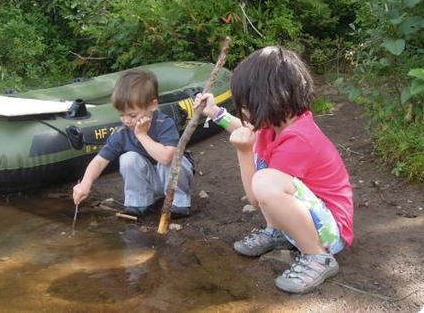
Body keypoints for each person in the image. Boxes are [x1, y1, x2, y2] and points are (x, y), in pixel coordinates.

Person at [194, 46, 353, 294]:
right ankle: (280, 231)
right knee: (267, 175)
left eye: (246, 105)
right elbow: (247, 130)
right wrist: (215, 113)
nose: (244, 112)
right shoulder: (277, 124)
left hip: (330, 233)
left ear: (270, 98)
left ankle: (316, 257)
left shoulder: (299, 139)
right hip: (312, 218)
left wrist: (244, 152)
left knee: (266, 181)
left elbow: (257, 199)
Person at [72, 69, 194, 217]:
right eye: (121, 115)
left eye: (132, 115)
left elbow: (166, 158)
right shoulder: (122, 132)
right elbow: (99, 161)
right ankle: (140, 201)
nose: (126, 120)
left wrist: (142, 135)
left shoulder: (164, 123)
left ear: (152, 105)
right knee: (128, 158)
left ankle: (178, 202)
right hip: (151, 181)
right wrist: (85, 183)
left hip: (174, 178)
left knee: (171, 160)